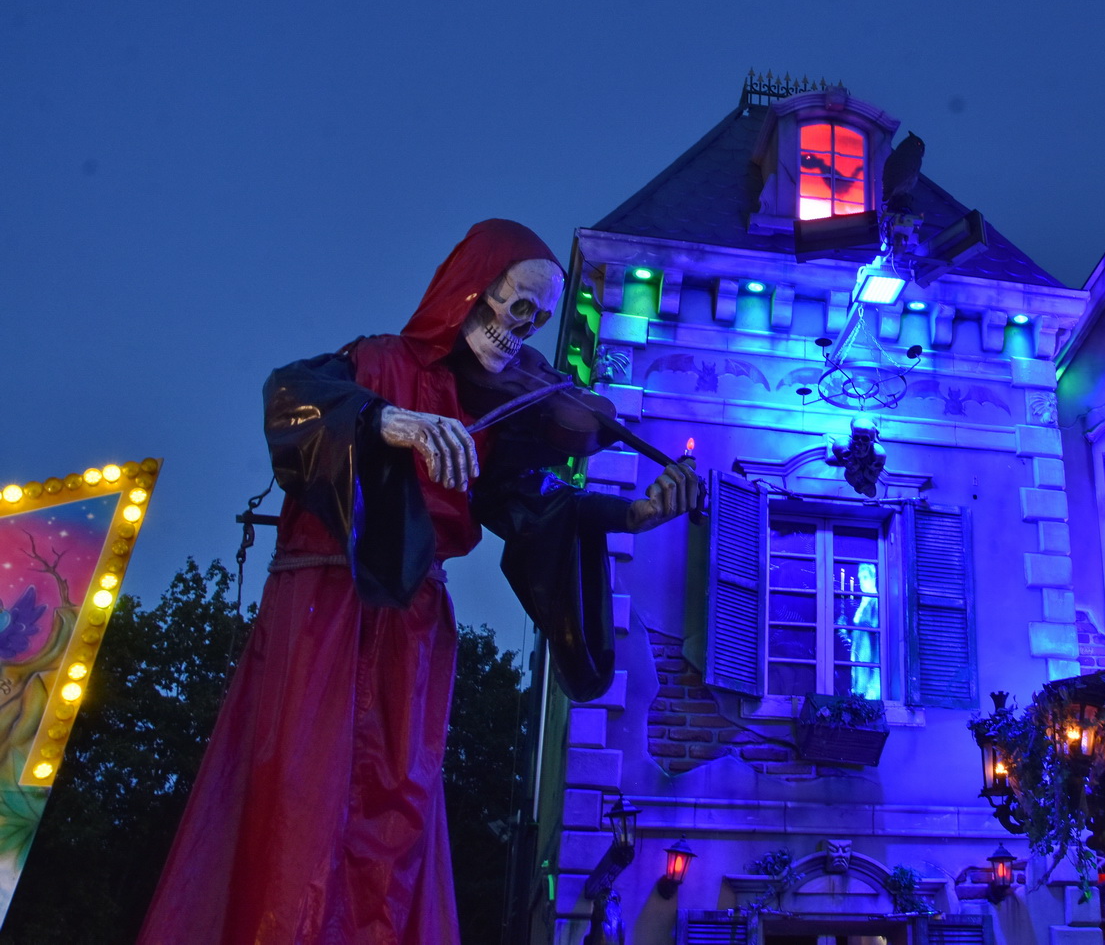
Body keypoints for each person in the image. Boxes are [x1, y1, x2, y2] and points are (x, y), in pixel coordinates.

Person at [138, 220, 702, 944]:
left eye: (538, 317)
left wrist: (630, 511)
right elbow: (291, 399)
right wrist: (385, 420)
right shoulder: (376, 359)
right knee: (303, 797)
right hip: (326, 608)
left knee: (398, 808)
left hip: (413, 625)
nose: (521, 330)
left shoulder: (490, 419)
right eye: (514, 304)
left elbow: (533, 509)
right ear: (470, 290)